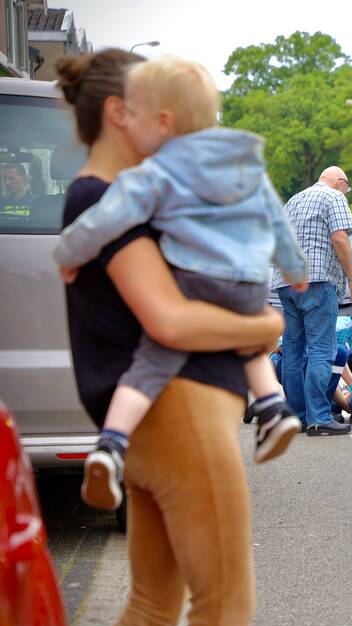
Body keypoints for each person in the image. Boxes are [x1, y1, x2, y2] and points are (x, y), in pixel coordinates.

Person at [56, 48, 281, 626]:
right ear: (118, 112)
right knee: (225, 608)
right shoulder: (105, 199)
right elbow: (169, 320)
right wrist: (264, 327)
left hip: (156, 419)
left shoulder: (110, 201)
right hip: (180, 411)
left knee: (153, 609)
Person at [52, 55, 307, 510]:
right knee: (250, 346)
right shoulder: (244, 162)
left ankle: (111, 443)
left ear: (164, 121)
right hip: (248, 281)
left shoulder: (156, 173)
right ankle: (273, 404)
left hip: (195, 278)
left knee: (151, 362)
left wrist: (67, 254)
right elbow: (275, 218)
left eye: (140, 114)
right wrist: (291, 274)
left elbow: (106, 220)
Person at [273, 166, 352, 436]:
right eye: (347, 188)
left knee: (293, 352)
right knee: (322, 349)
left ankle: (298, 417)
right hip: (317, 281)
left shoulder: (293, 201)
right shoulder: (334, 196)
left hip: (286, 281)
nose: (346, 192)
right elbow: (340, 238)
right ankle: (319, 418)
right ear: (340, 183)